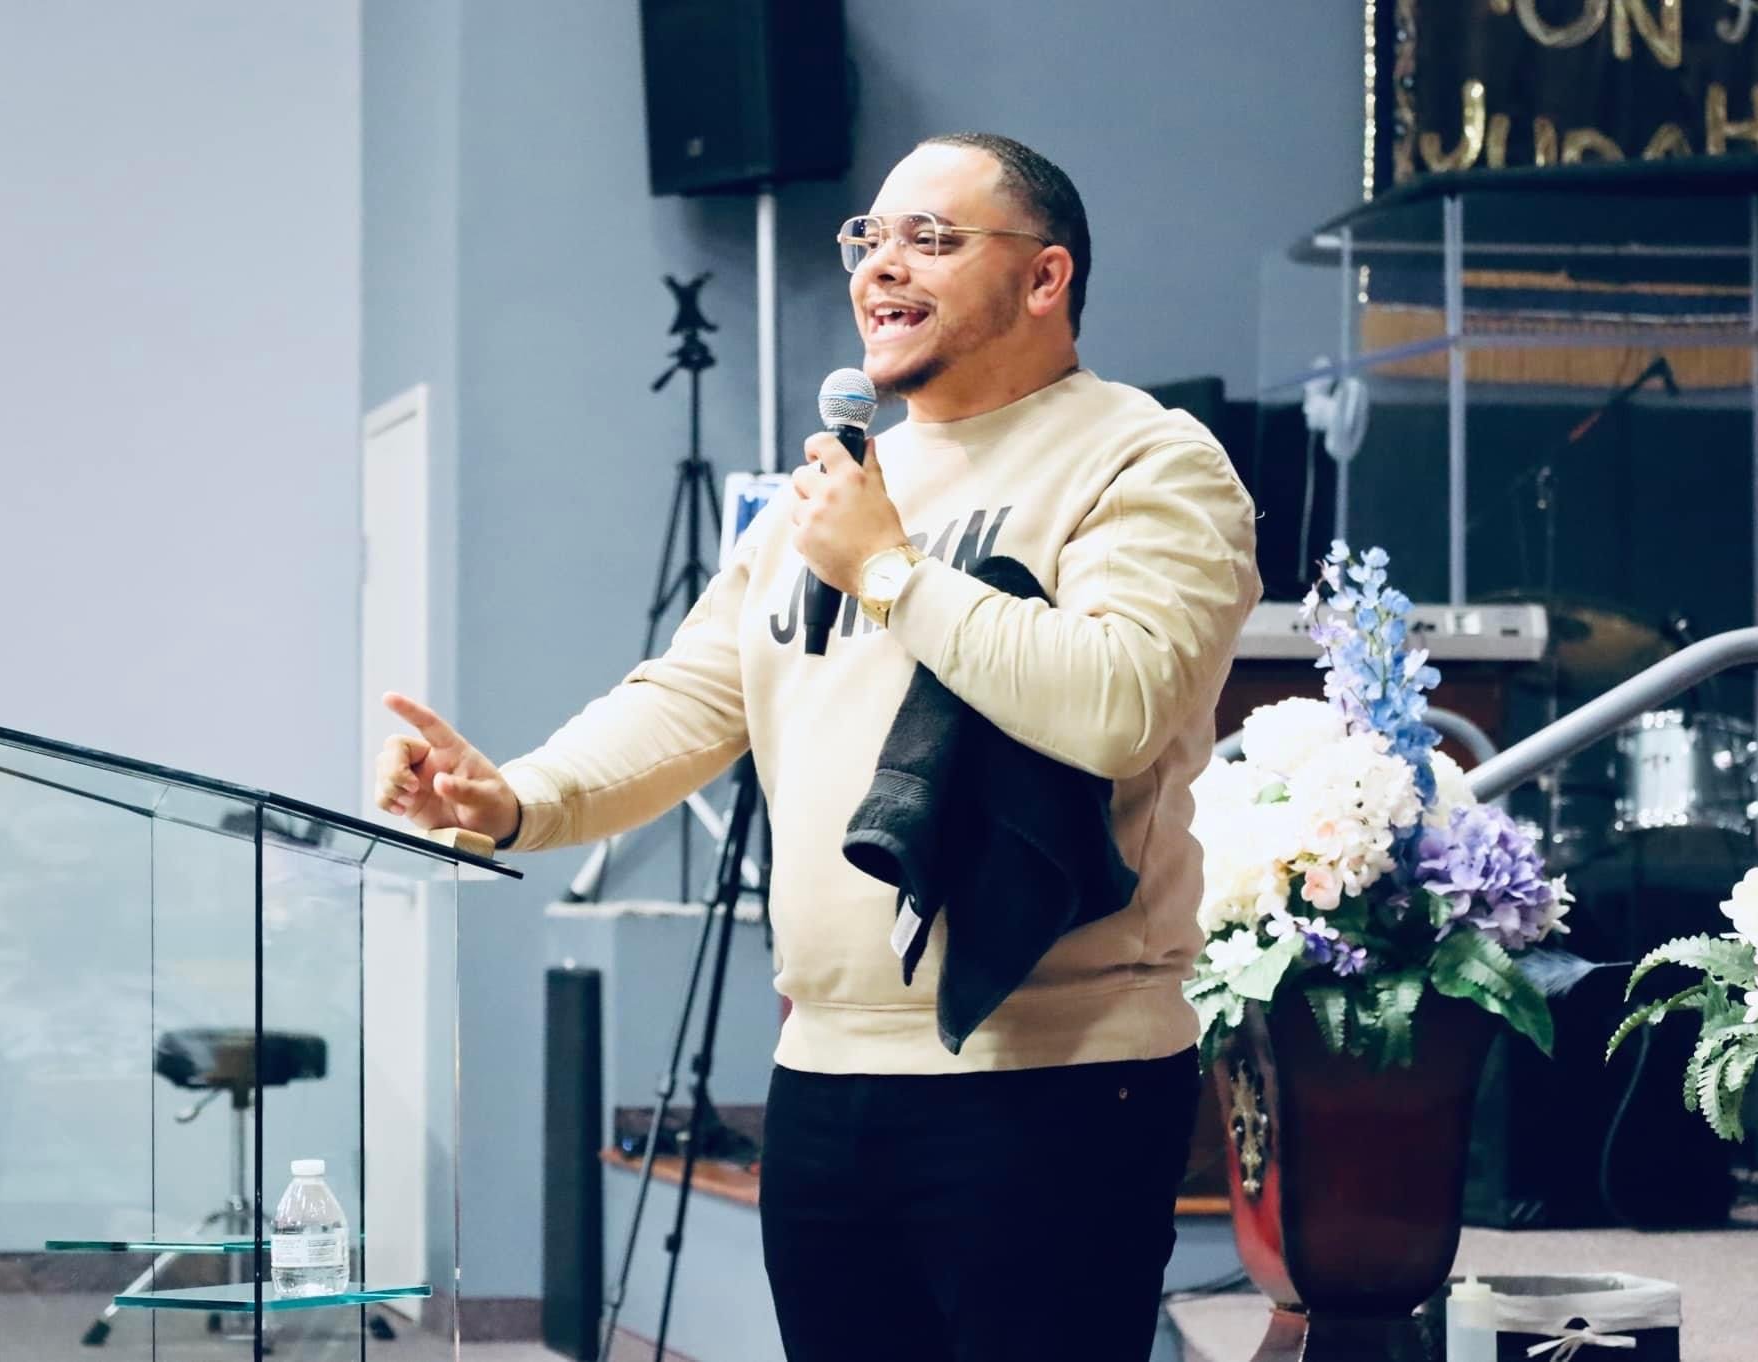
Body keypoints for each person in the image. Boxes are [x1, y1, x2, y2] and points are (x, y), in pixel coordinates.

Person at [376, 131, 1260, 1361]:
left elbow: (1116, 701)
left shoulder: (1143, 459)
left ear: (1044, 278)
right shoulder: (836, 490)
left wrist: (889, 571)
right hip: (825, 1078)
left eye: (929, 239)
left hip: (1053, 1077)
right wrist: (516, 796)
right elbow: (691, 697)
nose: (878, 267)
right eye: (869, 238)